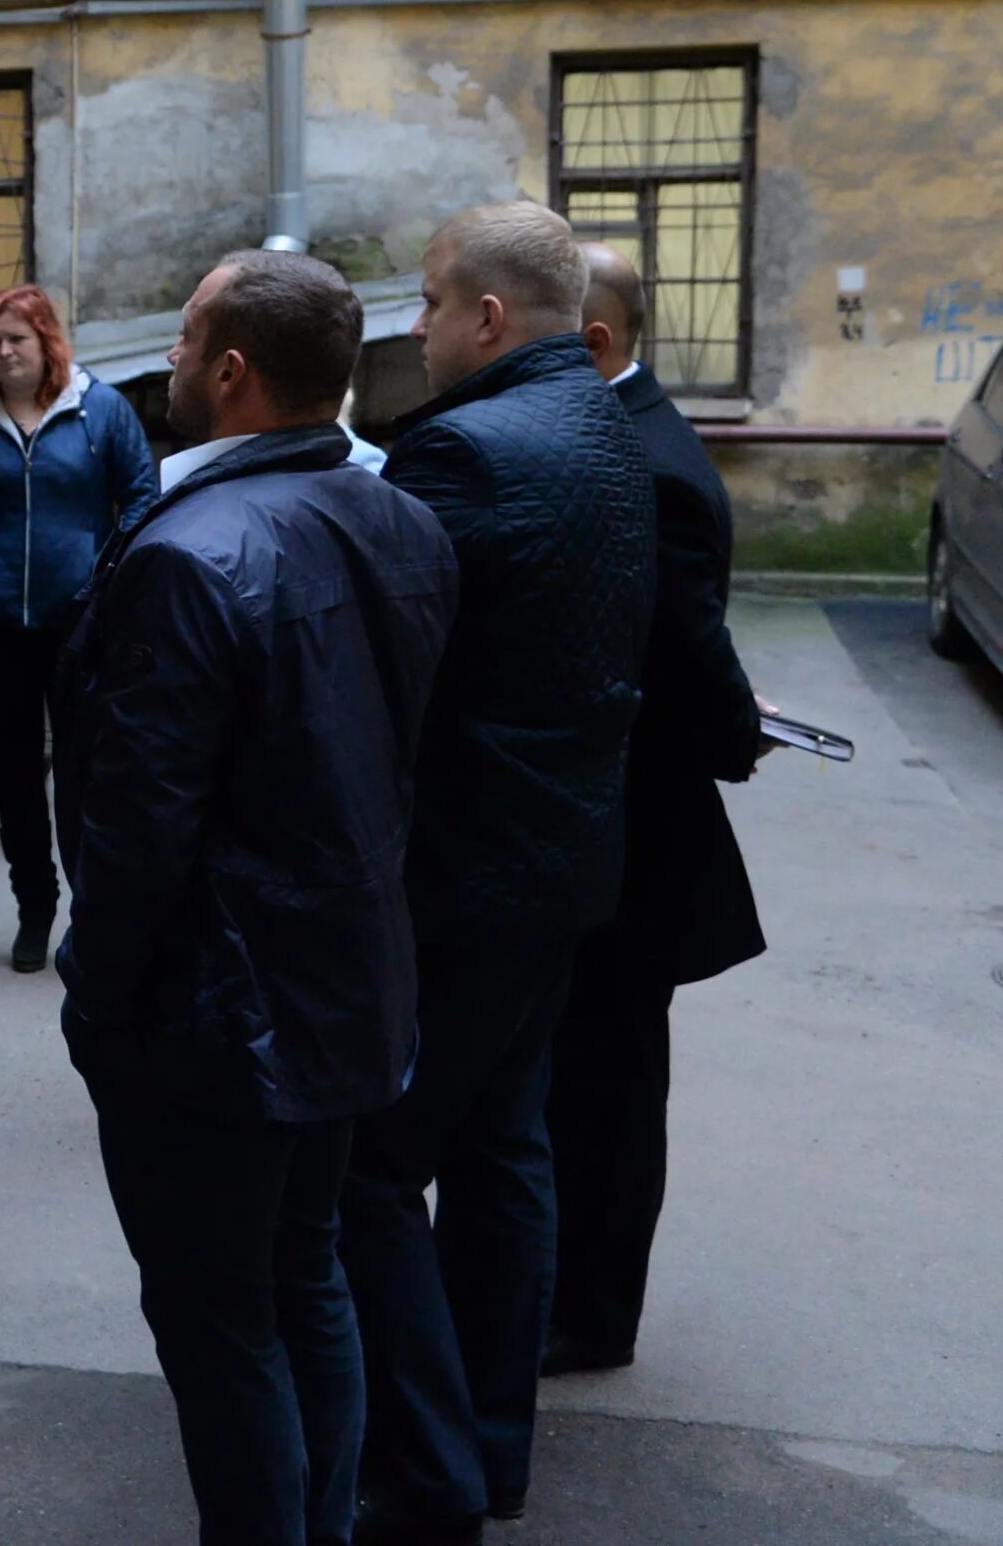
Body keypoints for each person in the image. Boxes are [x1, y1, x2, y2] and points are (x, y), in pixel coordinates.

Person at [56, 253, 459, 1546]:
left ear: (231, 369)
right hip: (345, 988)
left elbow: (136, 836)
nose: (166, 362)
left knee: (228, 1324)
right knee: (304, 1281)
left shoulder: (188, 552)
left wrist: (98, 996)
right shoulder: (395, 511)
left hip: (218, 1018)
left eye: (182, 340)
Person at [341, 201, 656, 1545]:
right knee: (504, 1150)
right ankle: (493, 1448)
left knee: (366, 1168)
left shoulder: (460, 450)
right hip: (565, 863)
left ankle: (432, 1469)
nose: (412, 327)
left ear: (485, 315)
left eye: (426, 301)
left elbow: (379, 672)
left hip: (465, 878)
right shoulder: (603, 421)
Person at [543, 245, 769, 1379]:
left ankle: (591, 1315)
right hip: (614, 822)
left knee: (611, 1086)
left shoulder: (648, 462)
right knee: (587, 1075)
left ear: (596, 343)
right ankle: (570, 1291)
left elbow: (687, 646)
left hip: (635, 835)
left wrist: (736, 732)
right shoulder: (627, 438)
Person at [0, 283, 157, 974]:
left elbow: (141, 499)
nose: (7, 351)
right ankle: (33, 906)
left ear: (48, 341)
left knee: (82, 770)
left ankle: (88, 911)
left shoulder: (98, 408)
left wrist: (104, 578)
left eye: (19, 338)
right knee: (13, 772)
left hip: (79, 620)